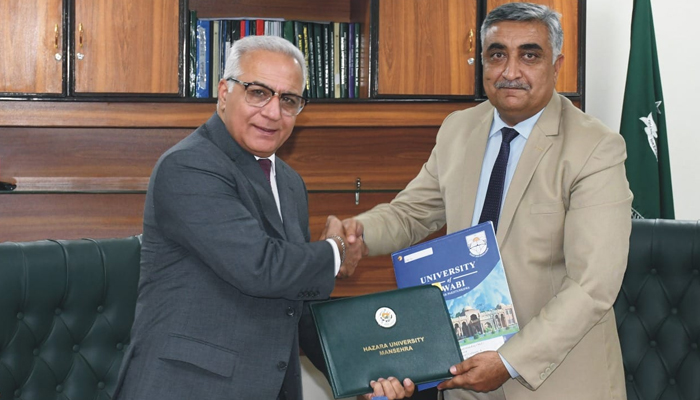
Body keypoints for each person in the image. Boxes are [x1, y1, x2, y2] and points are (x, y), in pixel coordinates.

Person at [342, 3, 633, 400]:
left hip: (557, 381)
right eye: (497, 54)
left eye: (529, 55)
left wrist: (508, 361)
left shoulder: (594, 148)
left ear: (557, 64)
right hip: (465, 375)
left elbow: (592, 286)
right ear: (482, 63)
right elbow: (411, 213)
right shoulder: (459, 129)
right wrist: (357, 232)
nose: (510, 71)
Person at [112, 35, 364, 400]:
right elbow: (261, 267)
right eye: (258, 92)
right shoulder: (189, 165)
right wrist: (337, 251)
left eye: (289, 100)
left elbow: (299, 301)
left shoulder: (291, 184)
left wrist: (362, 375)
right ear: (224, 92)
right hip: (187, 387)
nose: (273, 112)